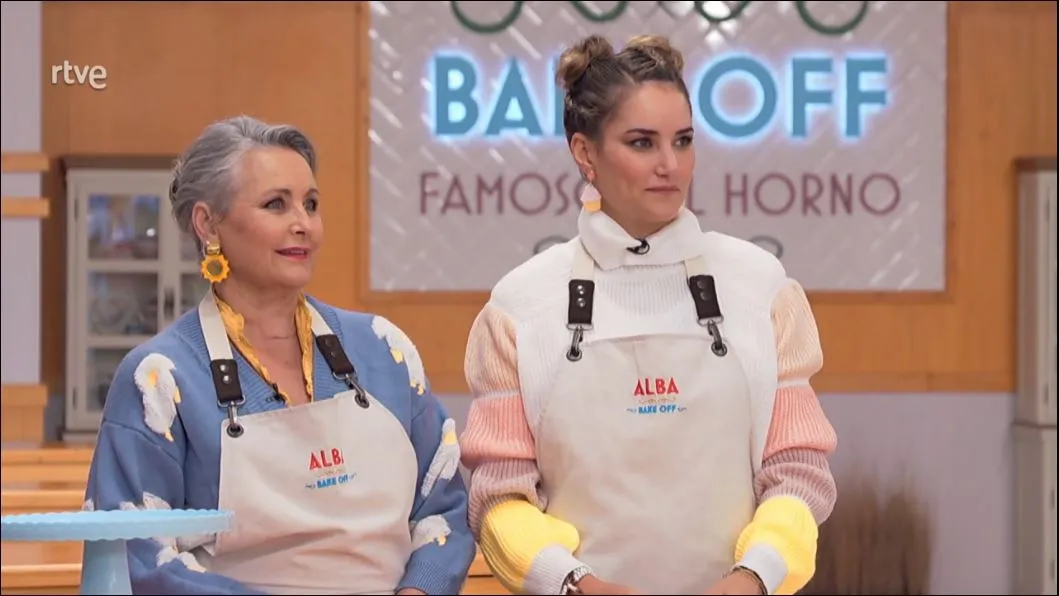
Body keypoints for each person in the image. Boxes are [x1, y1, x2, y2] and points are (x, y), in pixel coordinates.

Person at [460, 35, 838, 596]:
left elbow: (799, 475)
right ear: (585, 153)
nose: (670, 165)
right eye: (642, 143)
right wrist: (572, 583)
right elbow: (499, 496)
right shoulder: (521, 306)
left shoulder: (761, 288)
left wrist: (754, 577)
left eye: (683, 141)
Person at [83, 116, 476, 595]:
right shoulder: (159, 380)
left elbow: (445, 508)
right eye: (276, 204)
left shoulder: (384, 349)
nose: (303, 224)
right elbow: (137, 557)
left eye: (311, 204)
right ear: (208, 224)